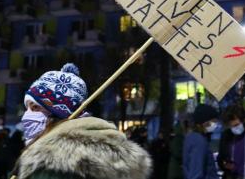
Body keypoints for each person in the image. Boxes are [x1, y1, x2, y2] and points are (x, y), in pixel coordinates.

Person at [15, 63, 151, 179]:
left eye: (35, 107)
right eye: (27, 108)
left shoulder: (54, 163)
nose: (26, 116)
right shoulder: (109, 157)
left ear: (59, 112)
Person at [183, 104, 220, 179]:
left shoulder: (191, 138)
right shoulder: (199, 141)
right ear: (204, 122)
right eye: (213, 121)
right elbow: (196, 173)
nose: (215, 124)